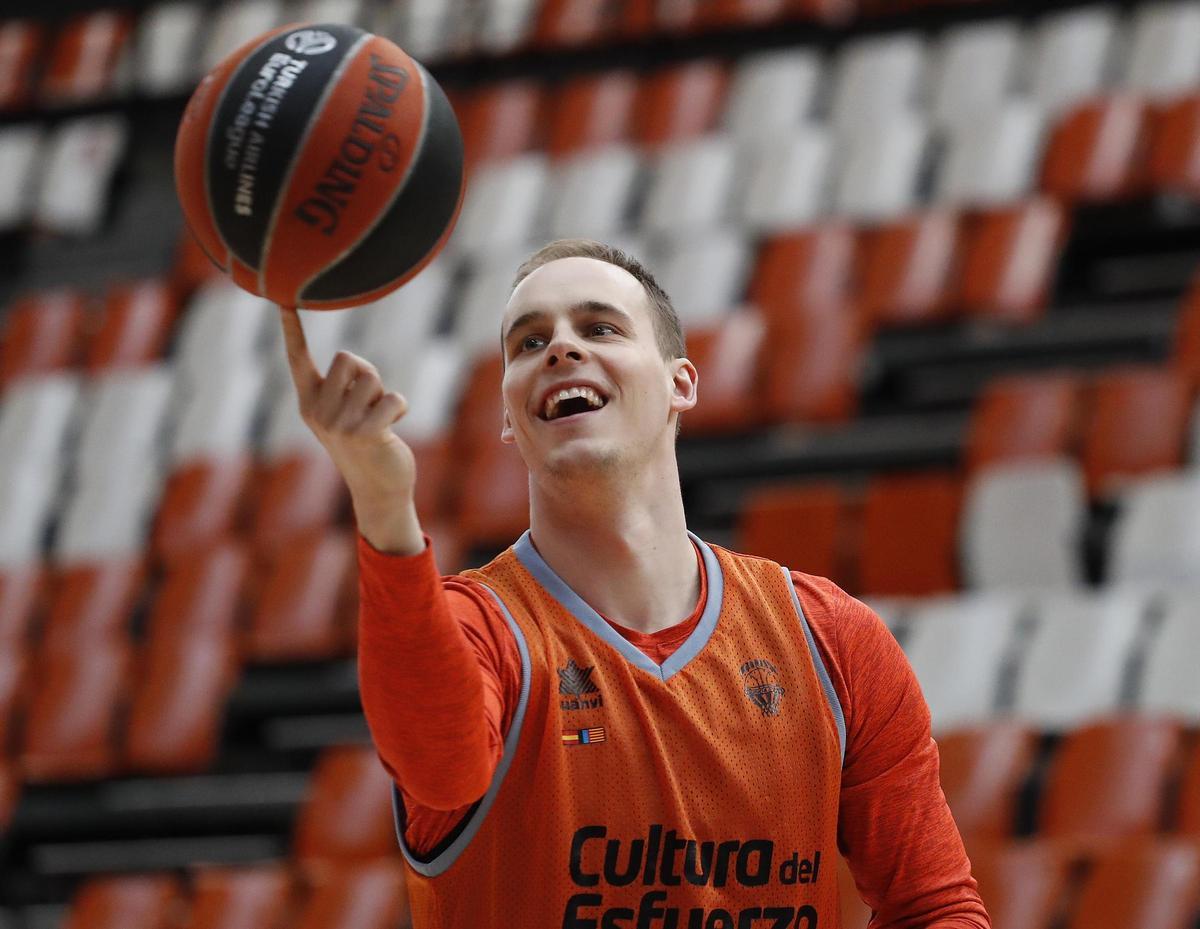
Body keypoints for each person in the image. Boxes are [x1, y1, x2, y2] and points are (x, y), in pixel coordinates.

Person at [279, 238, 991, 928]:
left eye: (599, 327)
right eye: (528, 343)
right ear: (507, 417)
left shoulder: (829, 637)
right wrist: (381, 499)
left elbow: (934, 906)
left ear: (681, 382)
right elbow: (439, 769)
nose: (560, 347)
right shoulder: (482, 630)